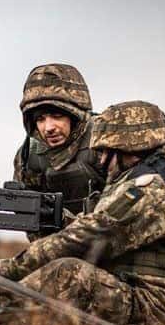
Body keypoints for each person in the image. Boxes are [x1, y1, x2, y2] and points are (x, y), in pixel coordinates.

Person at [0, 100, 165, 325]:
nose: (102, 160)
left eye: (106, 151)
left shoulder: (153, 188)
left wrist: (3, 271)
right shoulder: (155, 181)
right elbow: (105, 228)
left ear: (131, 149)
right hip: (141, 297)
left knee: (68, 274)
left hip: (158, 310)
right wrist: (57, 217)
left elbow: (91, 235)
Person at [13, 64, 106, 227]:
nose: (48, 128)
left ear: (75, 116)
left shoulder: (105, 141)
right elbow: (32, 223)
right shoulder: (30, 155)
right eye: (40, 119)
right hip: (58, 244)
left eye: (56, 116)